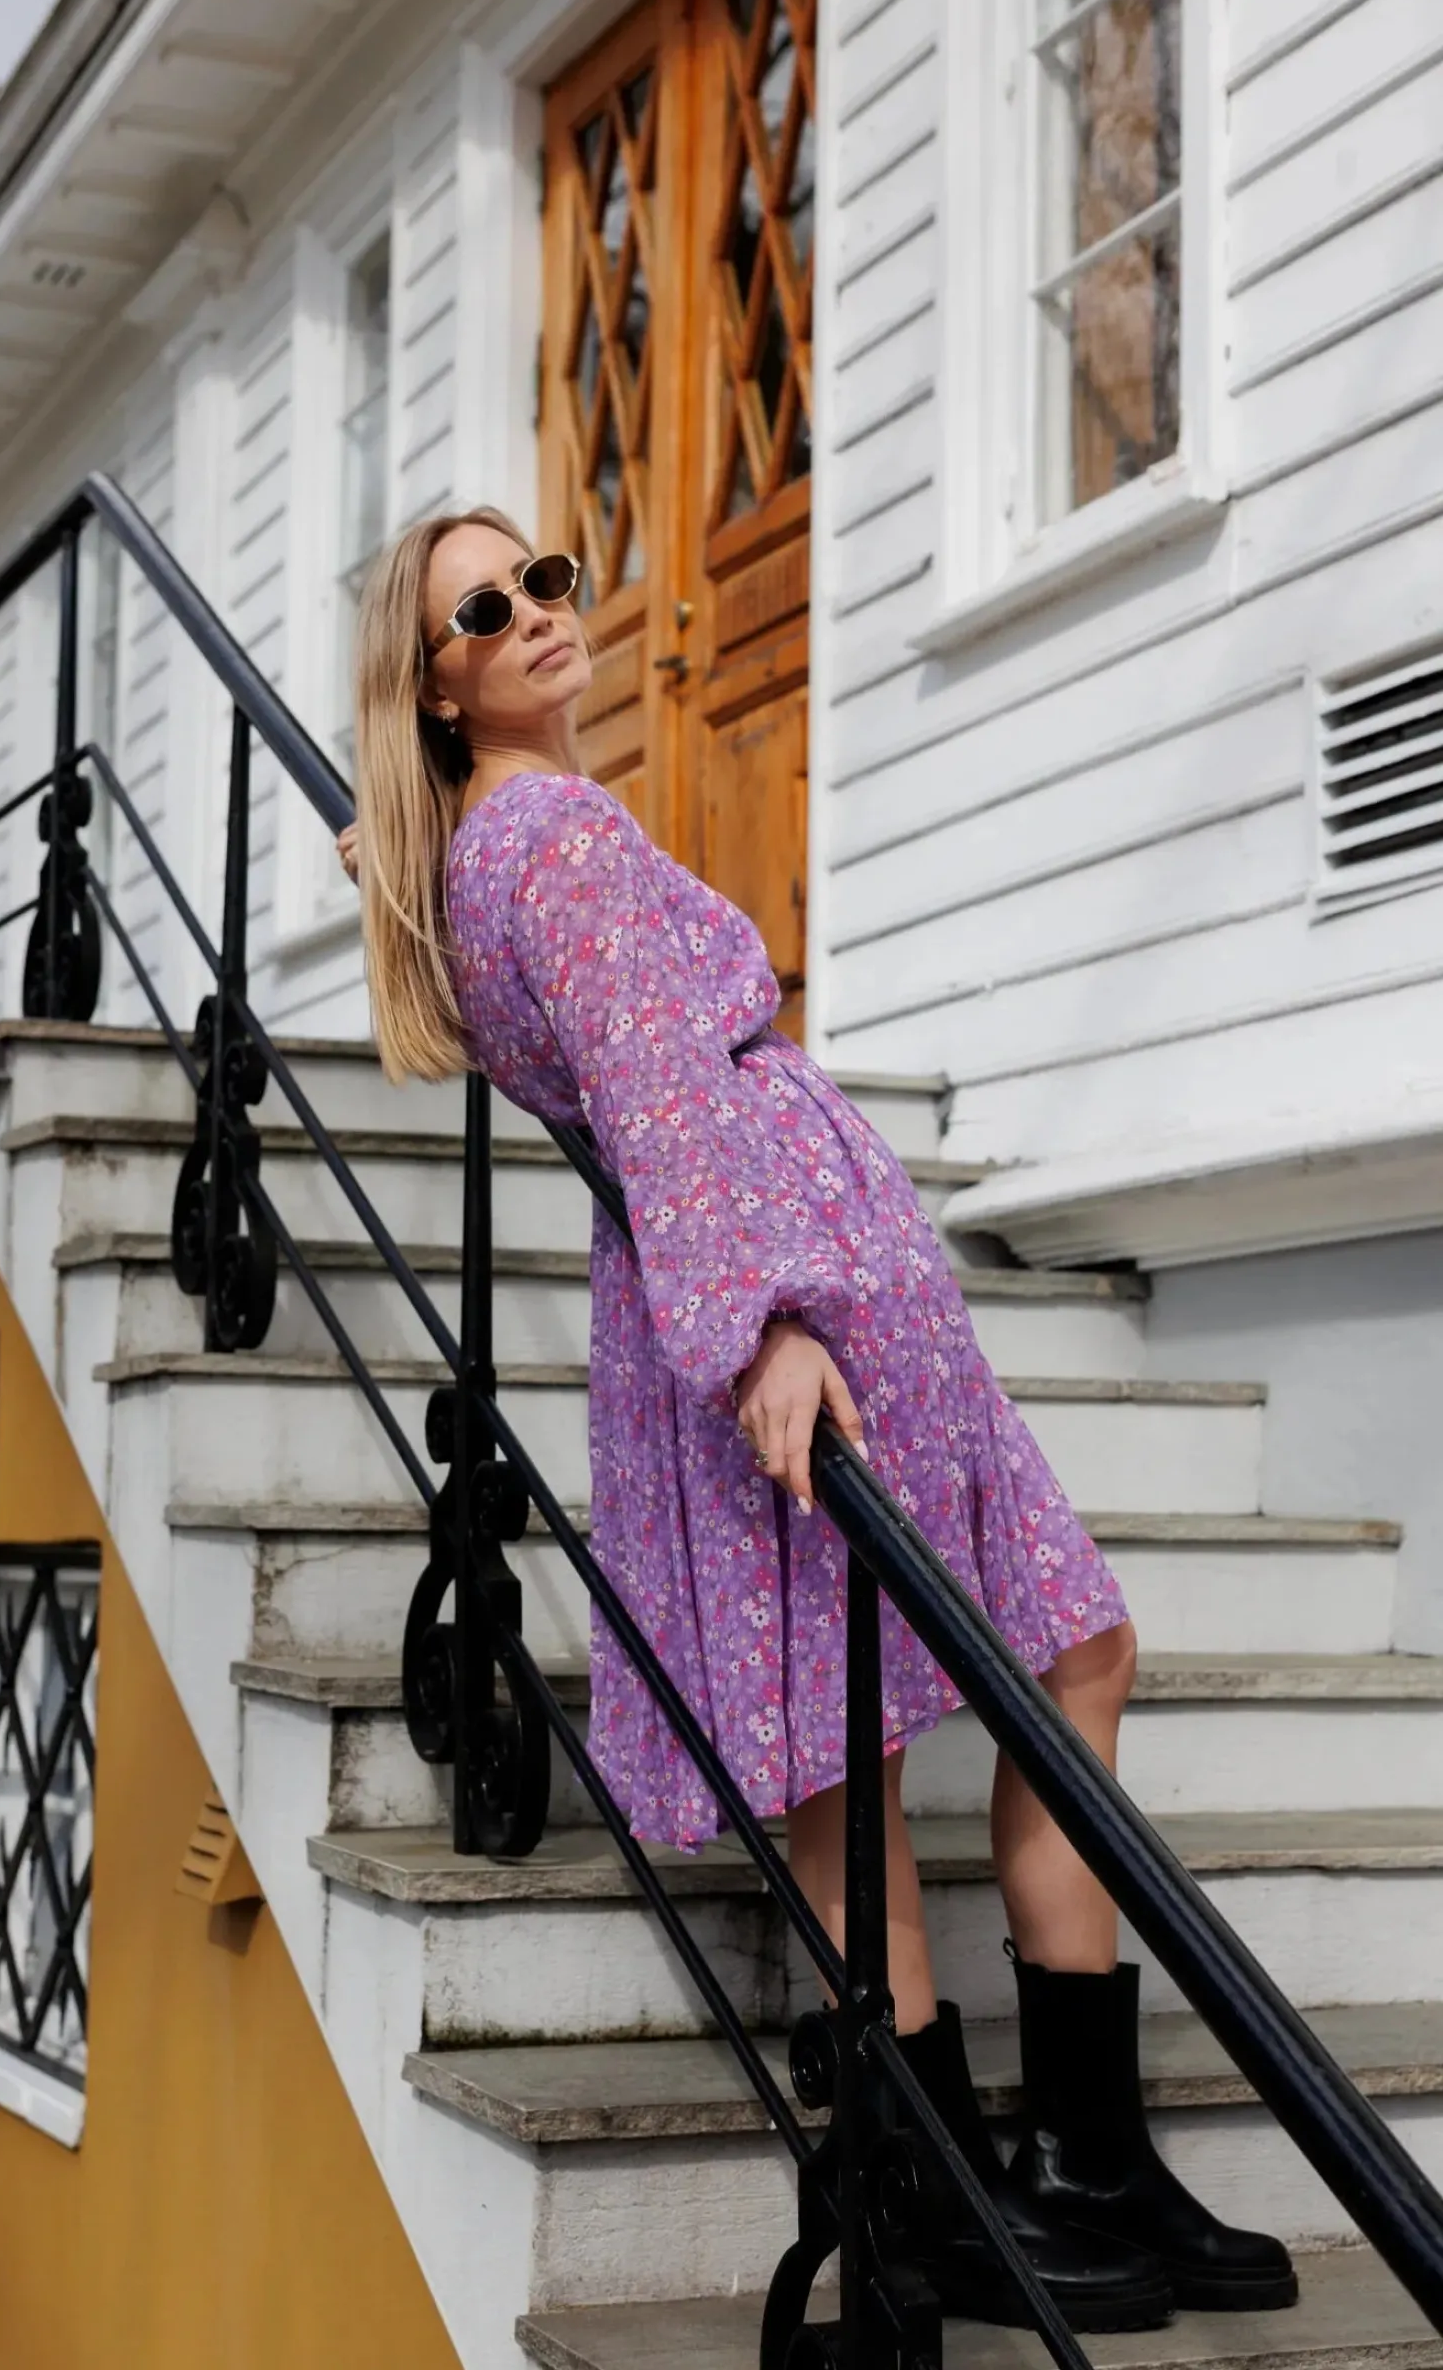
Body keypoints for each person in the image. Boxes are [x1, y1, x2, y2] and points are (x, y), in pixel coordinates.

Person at [338, 504, 1297, 2330]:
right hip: (791, 1299)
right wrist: (761, 1326)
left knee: (1051, 1656)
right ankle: (948, 2203)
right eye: (486, 608)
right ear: (436, 687)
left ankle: (1080, 2165)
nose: (540, 612)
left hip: (835, 1278)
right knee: (879, 1747)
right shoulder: (545, 839)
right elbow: (656, 1093)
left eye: (548, 577)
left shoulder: (499, 841)